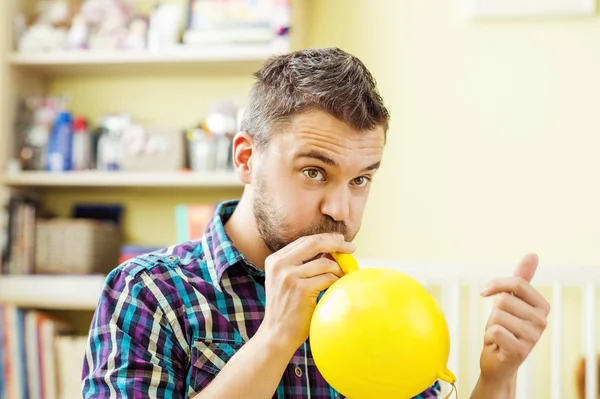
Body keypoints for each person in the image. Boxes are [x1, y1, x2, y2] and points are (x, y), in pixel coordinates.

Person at [81, 47, 550, 399]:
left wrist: (497, 377)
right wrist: (276, 337)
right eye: (314, 172)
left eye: (361, 179)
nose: (342, 210)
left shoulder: (375, 306)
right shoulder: (149, 293)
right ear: (246, 158)